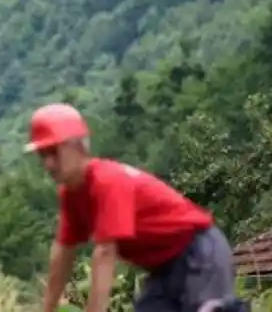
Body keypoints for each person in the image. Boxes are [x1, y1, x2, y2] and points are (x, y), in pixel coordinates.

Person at [27, 102, 245, 312]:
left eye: (54, 152)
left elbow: (104, 253)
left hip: (199, 252)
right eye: (42, 155)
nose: (48, 164)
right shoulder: (71, 194)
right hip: (163, 269)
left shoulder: (106, 181)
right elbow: (63, 254)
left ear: (77, 146)